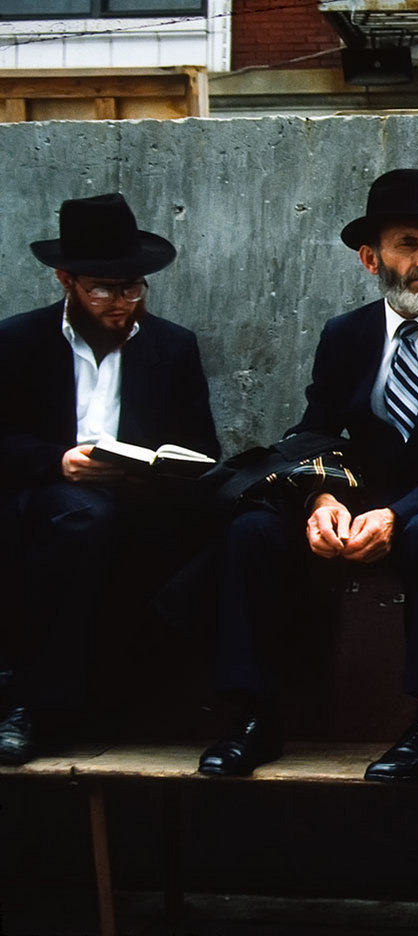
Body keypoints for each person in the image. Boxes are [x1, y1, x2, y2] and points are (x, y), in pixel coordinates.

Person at [198, 169, 418, 783]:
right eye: (409, 244)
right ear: (370, 258)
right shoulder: (345, 334)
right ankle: (254, 715)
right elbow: (314, 432)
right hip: (361, 501)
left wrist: (398, 514)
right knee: (253, 529)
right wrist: (320, 497)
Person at [0, 193, 219, 765]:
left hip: (140, 500)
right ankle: (37, 706)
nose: (121, 303)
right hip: (44, 497)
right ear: (65, 280)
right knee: (81, 519)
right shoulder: (18, 342)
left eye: (132, 288)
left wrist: (156, 467)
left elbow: (201, 447)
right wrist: (59, 461)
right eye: (103, 289)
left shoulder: (172, 346)